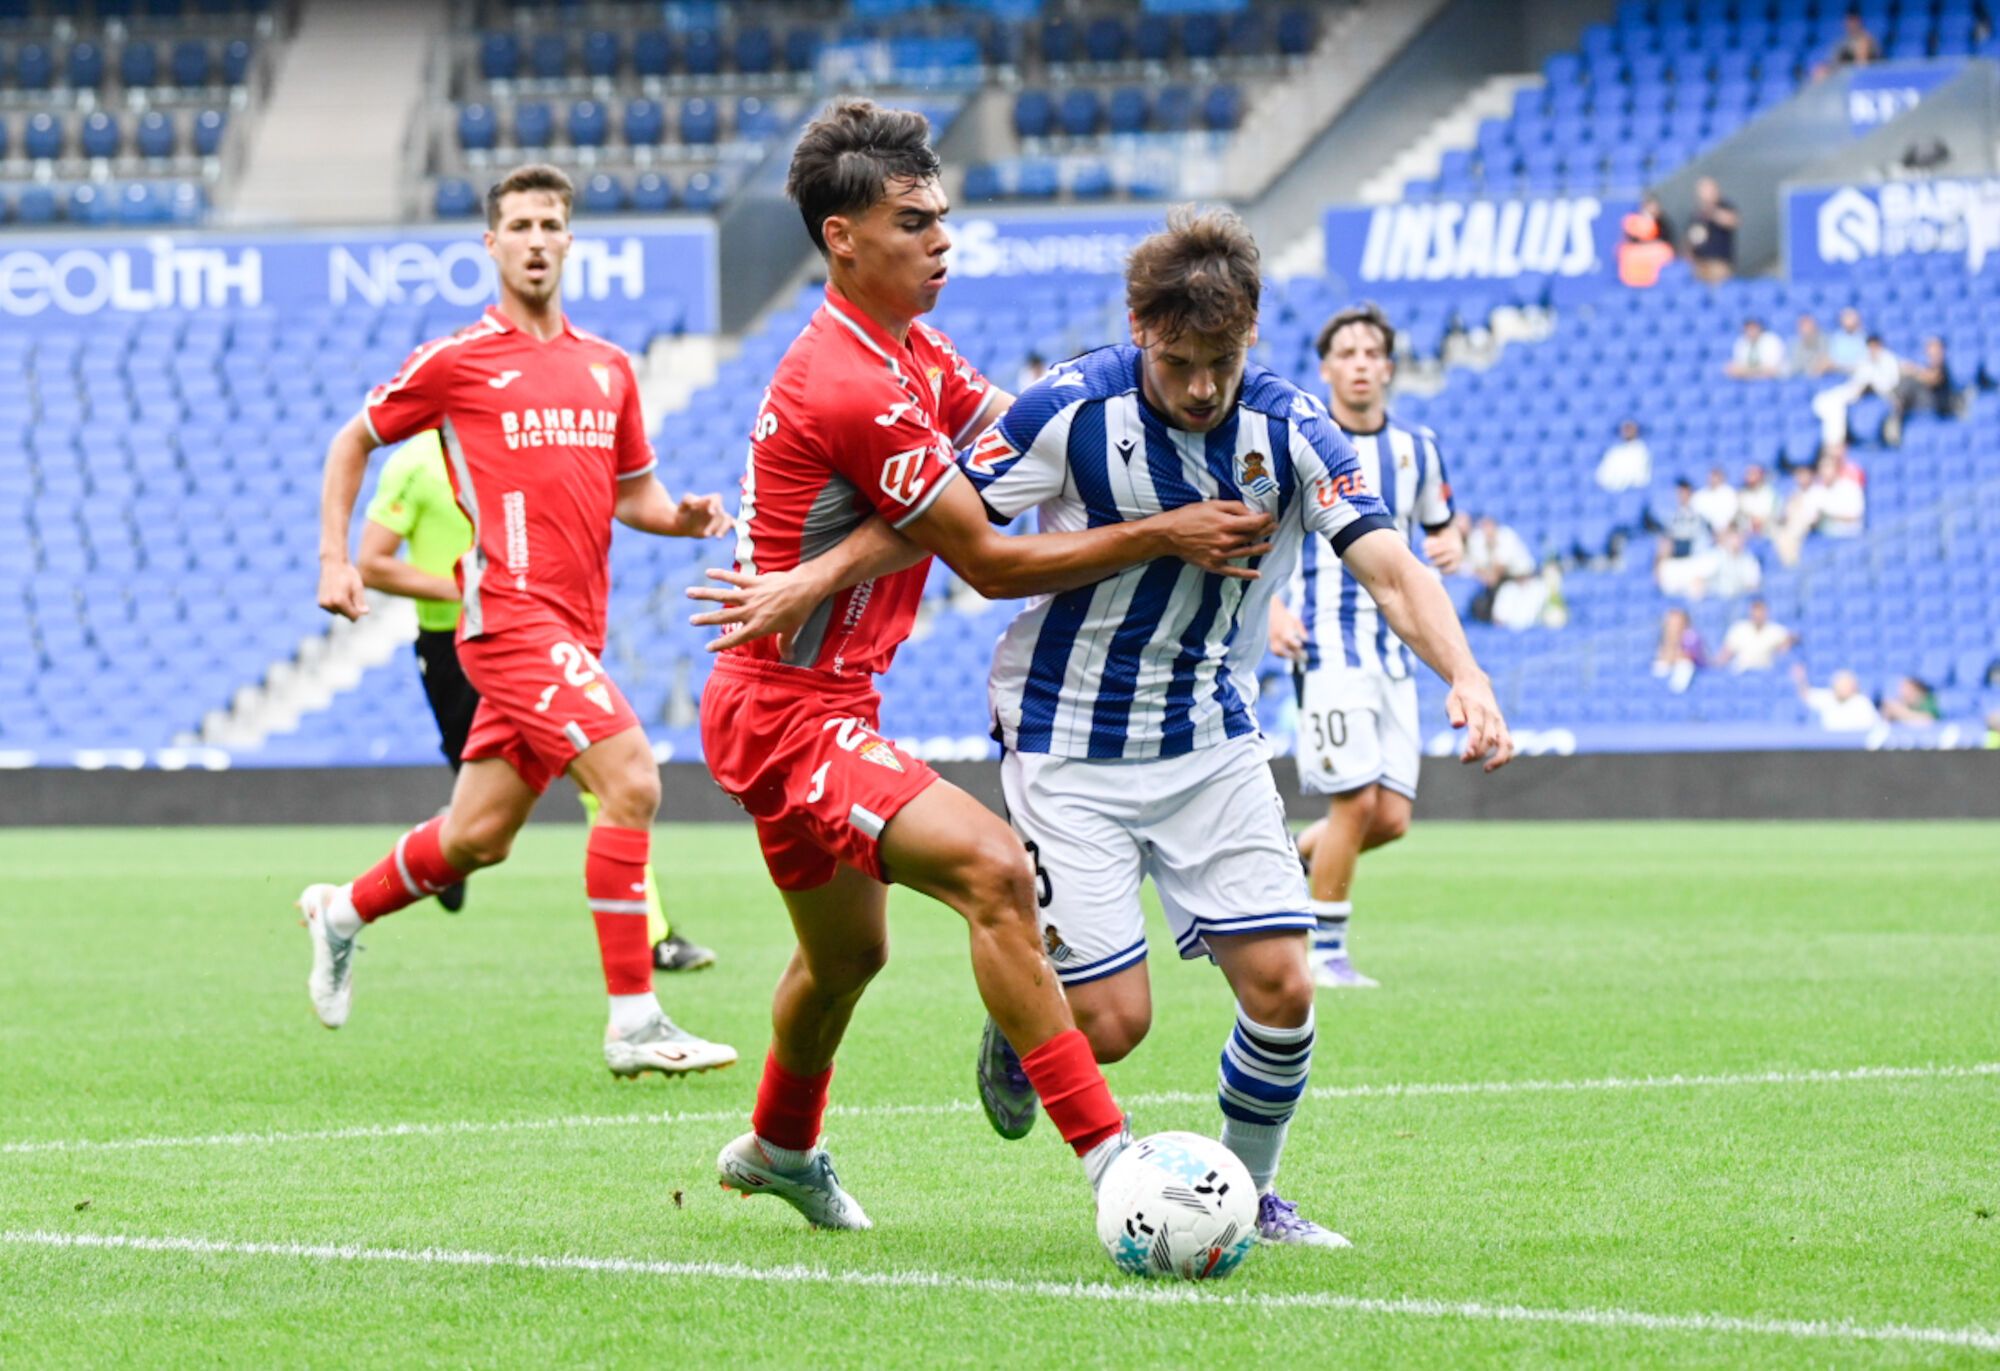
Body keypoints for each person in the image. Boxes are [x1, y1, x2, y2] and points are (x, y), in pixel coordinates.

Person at [682, 102, 1278, 1232]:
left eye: (943, 219)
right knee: (993, 872)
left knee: (845, 959)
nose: (940, 242)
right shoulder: (849, 381)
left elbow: (1018, 449)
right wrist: (1161, 533)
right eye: (911, 223)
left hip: (811, 701)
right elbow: (994, 561)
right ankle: (1116, 1169)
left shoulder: (905, 351)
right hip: (787, 712)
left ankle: (777, 1144)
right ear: (840, 238)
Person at [964, 213, 1509, 1237]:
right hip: (1064, 739)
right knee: (1113, 1028)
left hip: (1210, 739)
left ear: (1250, 334)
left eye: (1221, 361)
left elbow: (1393, 567)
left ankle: (1248, 1197)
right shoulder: (1066, 409)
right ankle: (1019, 1010)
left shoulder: (1296, 430)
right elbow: (950, 530)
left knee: (1282, 985)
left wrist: (1466, 675)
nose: (1203, 387)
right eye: (1177, 362)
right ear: (1138, 329)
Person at [303, 163, 738, 1078]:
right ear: (491, 244)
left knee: (477, 837)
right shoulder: (458, 362)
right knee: (631, 778)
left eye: (550, 224)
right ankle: (634, 1020)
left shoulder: (608, 368)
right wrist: (336, 560)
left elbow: (635, 494)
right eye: (520, 225)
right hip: (507, 616)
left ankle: (340, 910)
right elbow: (353, 437)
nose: (536, 239)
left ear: (569, 241)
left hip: (574, 630)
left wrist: (683, 516)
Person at [357, 430, 717, 971]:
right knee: (476, 826)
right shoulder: (413, 464)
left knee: (610, 781)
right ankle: (368, 893)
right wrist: (472, 591)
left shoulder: (520, 443)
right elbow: (374, 564)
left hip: (531, 637)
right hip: (454, 646)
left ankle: (652, 942)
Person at [1263, 302, 1466, 989]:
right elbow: (1260, 534)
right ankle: (1323, 952)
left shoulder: (1418, 448)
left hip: (1393, 655)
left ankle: (1285, 861)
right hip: (1327, 651)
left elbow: (1438, 526)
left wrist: (1451, 542)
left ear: (1387, 367)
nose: (1358, 364)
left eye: (1369, 353)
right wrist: (1272, 611)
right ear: (1325, 370)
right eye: (1344, 354)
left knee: (1392, 817)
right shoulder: (1301, 442)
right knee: (1353, 801)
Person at [1812, 334, 1902, 446]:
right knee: (1826, 401)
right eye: (1870, 346)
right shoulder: (1865, 359)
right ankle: (1833, 442)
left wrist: (1869, 385)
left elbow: (1889, 383)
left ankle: (1835, 442)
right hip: (1855, 390)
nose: (1872, 350)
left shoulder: (1889, 360)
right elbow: (1854, 372)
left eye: (1875, 346)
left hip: (1880, 394)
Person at [1888, 336, 1958, 444]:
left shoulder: (1944, 368)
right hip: (1918, 408)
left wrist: (1913, 370)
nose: (1932, 354)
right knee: (1907, 382)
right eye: (1930, 350)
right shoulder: (1926, 367)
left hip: (1939, 410)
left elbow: (1933, 379)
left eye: (1935, 350)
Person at [1792, 664, 1879, 731]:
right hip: (1830, 747)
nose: (1842, 687)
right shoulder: (1828, 698)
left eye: (1845, 685)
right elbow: (1806, 694)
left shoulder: (1862, 703)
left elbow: (1873, 727)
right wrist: (1800, 679)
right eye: (1839, 684)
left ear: (1853, 686)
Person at [1716, 598, 1795, 672]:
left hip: (1765, 675)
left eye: (1761, 611)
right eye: (1755, 611)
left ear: (1766, 612)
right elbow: (1726, 654)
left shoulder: (1775, 630)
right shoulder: (1738, 629)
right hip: (1740, 673)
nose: (1758, 615)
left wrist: (1787, 644)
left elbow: (1789, 640)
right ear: (1750, 612)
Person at [1686, 177, 1739, 284]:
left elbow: (1732, 221)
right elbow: (1692, 237)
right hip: (1700, 264)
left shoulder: (1725, 206)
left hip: (1719, 264)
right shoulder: (1697, 214)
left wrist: (1712, 211)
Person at [1653, 606, 1704, 693]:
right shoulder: (1660, 636)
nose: (1674, 626)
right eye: (1671, 623)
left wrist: (1673, 655)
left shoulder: (1691, 636)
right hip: (1669, 669)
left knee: (1684, 665)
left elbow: (1689, 656)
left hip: (1695, 670)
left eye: (1677, 622)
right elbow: (1662, 656)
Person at [1595, 419, 1652, 492]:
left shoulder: (1642, 451)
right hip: (1613, 491)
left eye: (1630, 428)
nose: (1627, 431)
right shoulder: (1614, 451)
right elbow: (1601, 478)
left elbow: (1642, 479)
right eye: (1625, 429)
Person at [1690, 466, 1740, 535]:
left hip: (1726, 530)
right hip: (1704, 531)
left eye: (1715, 476)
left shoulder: (1729, 493)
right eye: (1711, 476)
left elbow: (1732, 514)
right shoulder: (1699, 495)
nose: (1712, 479)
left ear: (1722, 478)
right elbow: (1696, 514)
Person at [1736, 462, 1777, 536]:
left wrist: (1759, 520)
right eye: (1748, 473)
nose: (1750, 476)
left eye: (1753, 474)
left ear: (1760, 475)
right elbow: (1741, 513)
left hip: (1766, 529)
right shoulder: (1742, 493)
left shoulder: (1768, 492)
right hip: (1746, 530)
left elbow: (1771, 513)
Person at [1826, 307, 1868, 373]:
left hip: (1858, 370)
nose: (1848, 322)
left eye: (1851, 318)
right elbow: (1833, 357)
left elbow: (1864, 358)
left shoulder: (1863, 337)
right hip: (1838, 369)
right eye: (1846, 318)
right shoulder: (1837, 337)